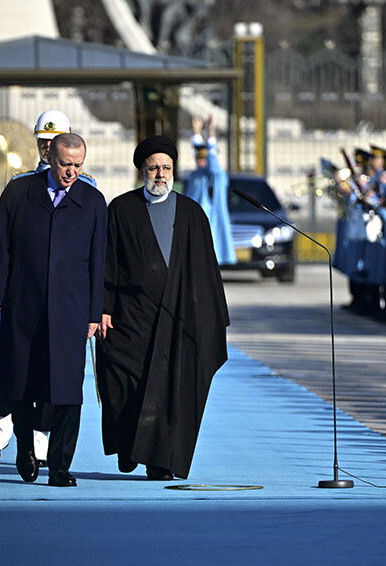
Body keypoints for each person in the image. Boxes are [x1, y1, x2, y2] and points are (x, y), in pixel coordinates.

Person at [95, 135, 230, 481]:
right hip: (129, 318)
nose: (160, 174)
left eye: (166, 167)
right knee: (122, 384)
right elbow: (107, 263)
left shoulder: (191, 213)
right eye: (153, 167)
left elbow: (205, 273)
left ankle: (161, 459)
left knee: (172, 390)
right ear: (141, 170)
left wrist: (208, 320)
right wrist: (103, 307)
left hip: (177, 320)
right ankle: (128, 445)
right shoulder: (121, 209)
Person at [0, 132, 106, 487]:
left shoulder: (93, 201)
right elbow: (1, 248)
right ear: (50, 157)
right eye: (66, 164)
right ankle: (24, 447)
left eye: (78, 166)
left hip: (71, 310)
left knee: (67, 390)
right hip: (24, 307)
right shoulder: (19, 193)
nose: (71, 173)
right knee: (19, 384)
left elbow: (99, 262)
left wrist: (95, 313)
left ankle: (60, 466)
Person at [184, 115, 236, 265]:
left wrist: (210, 132)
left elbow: (211, 161)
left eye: (204, 157)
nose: (200, 160)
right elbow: (199, 152)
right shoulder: (195, 176)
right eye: (198, 158)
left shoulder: (217, 176)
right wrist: (196, 133)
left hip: (212, 231)